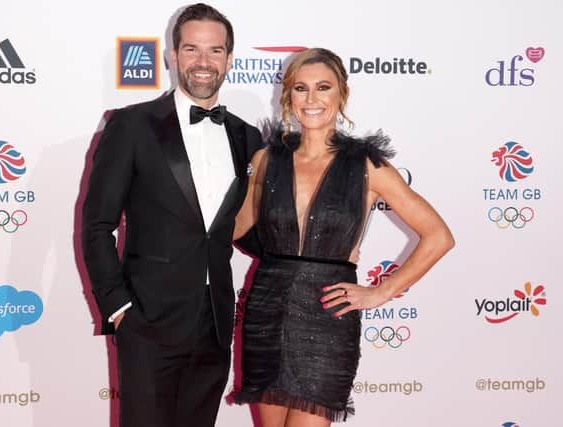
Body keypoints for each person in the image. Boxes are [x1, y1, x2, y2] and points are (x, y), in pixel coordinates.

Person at [232, 48, 455, 427]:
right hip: (267, 313)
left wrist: (382, 291)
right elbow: (232, 231)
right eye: (301, 89)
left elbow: (438, 236)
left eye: (323, 87)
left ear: (342, 94)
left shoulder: (367, 166)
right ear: (288, 96)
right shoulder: (268, 160)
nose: (312, 99)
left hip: (326, 317)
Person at [81, 4, 263, 426]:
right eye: (192, 49)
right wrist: (118, 307)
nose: (204, 62)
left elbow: (242, 229)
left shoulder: (246, 136)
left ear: (230, 59)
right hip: (146, 322)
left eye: (215, 51)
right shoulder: (131, 126)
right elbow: (97, 226)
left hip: (215, 324)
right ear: (173, 56)